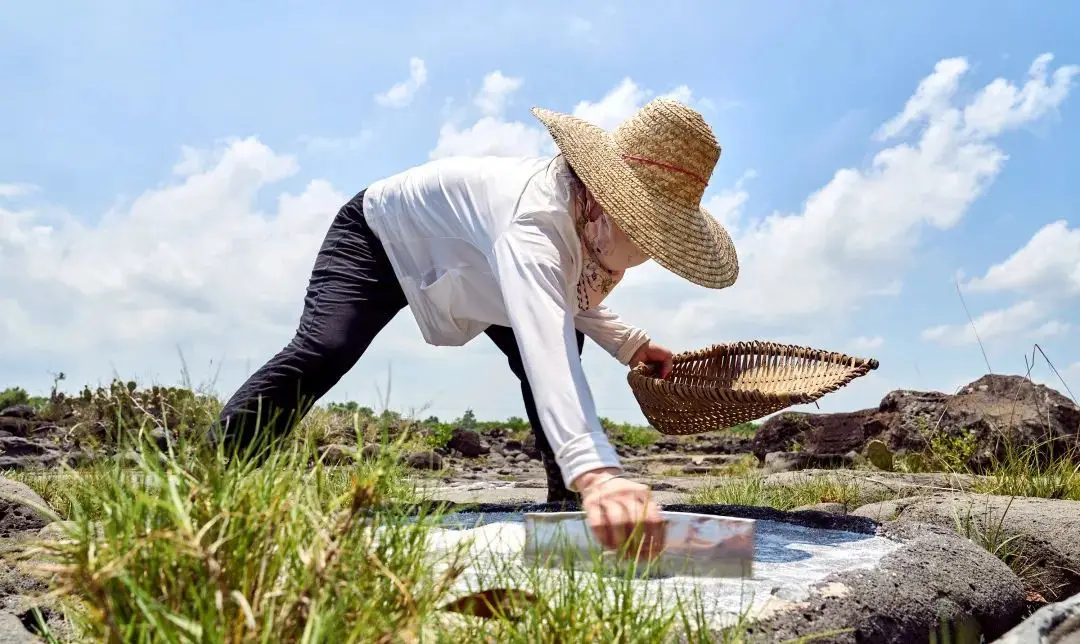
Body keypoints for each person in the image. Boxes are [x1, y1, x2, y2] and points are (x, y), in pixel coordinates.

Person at [213, 97, 738, 558]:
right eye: (645, 230)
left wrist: (631, 345)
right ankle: (217, 474)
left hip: (472, 264)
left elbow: (561, 294)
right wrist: (601, 472)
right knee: (326, 347)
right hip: (379, 236)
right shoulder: (534, 222)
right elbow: (546, 342)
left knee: (565, 339)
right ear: (603, 199)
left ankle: (568, 503)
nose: (646, 248)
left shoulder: (578, 219)